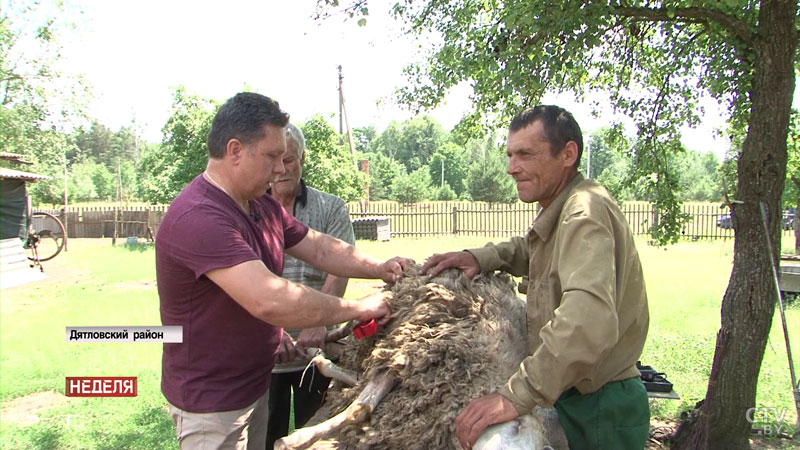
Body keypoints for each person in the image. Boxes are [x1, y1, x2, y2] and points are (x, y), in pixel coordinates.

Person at [156, 92, 409, 450]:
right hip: (213, 405)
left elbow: (320, 247)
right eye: (273, 156)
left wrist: (381, 268)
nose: (281, 168)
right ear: (235, 151)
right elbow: (271, 300)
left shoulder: (258, 205)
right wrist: (360, 308)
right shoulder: (200, 217)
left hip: (251, 386)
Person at [421, 105, 650, 450]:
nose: (512, 168)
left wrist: (515, 396)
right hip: (580, 397)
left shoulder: (583, 212)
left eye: (526, 154)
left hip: (600, 410)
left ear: (568, 154)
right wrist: (481, 257)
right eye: (511, 155)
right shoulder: (565, 207)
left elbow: (587, 320)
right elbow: (535, 251)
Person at [264, 123, 355, 448]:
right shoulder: (249, 211)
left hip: (318, 349)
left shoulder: (330, 207)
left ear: (303, 157)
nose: (283, 169)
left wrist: (317, 323)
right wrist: (270, 333)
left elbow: (340, 269)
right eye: (276, 160)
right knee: (263, 436)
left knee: (317, 435)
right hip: (265, 352)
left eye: (290, 159)